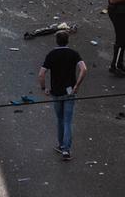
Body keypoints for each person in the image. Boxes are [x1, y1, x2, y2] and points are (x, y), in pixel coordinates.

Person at [39, 31, 87, 161]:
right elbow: (84, 69)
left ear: (56, 41)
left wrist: (44, 88)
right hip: (70, 91)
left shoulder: (51, 54)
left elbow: (41, 74)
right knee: (67, 121)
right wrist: (77, 85)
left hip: (56, 92)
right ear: (68, 40)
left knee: (59, 119)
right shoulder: (73, 53)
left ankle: (61, 145)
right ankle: (66, 150)